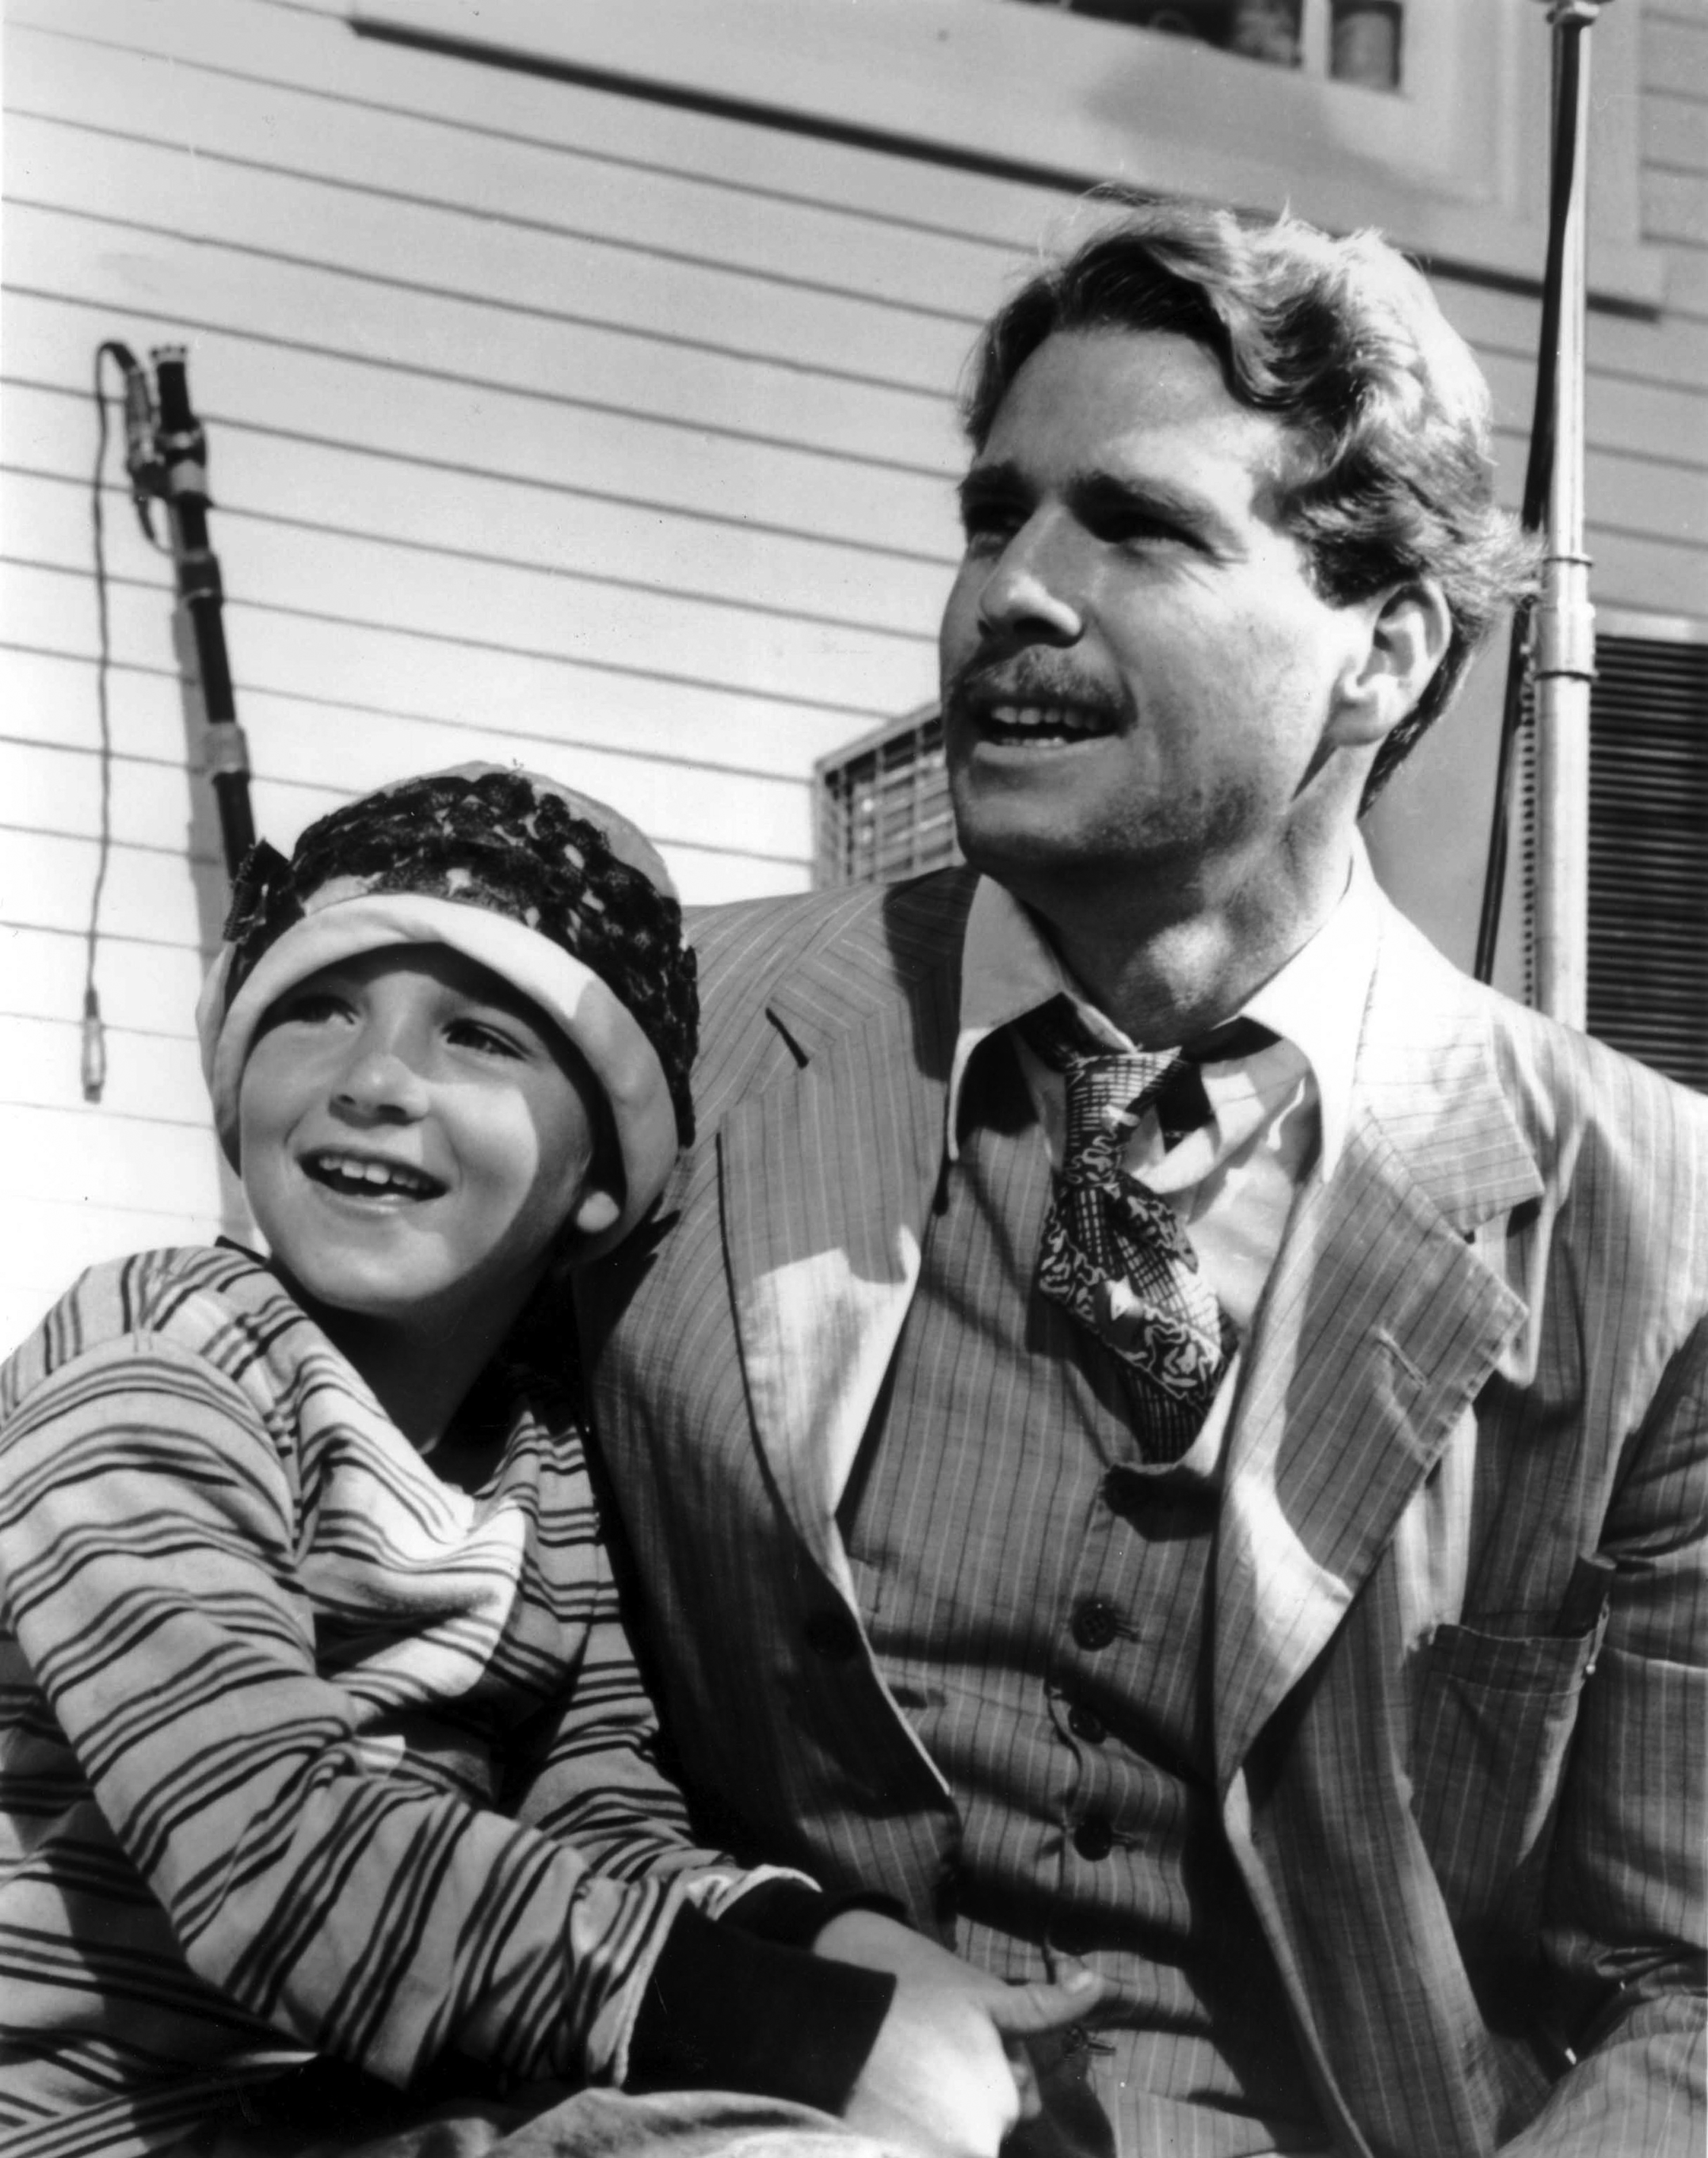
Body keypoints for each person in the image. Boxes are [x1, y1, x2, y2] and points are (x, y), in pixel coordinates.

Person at [577, 201, 1708, 2158]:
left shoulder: (1648, 1228)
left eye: (1135, 526)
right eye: (988, 517)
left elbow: (1681, 1990)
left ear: (1381, 653)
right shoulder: (685, 1042)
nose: (1009, 594)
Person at [0, 765, 1097, 2158]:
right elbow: (265, 1844)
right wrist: (800, 2036)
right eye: (318, 1009)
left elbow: (604, 1817)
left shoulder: (541, 1461)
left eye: (476, 1036)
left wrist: (859, 1954)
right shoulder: (157, 1360)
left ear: (601, 1174)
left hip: (367, 2109)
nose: (376, 1080)